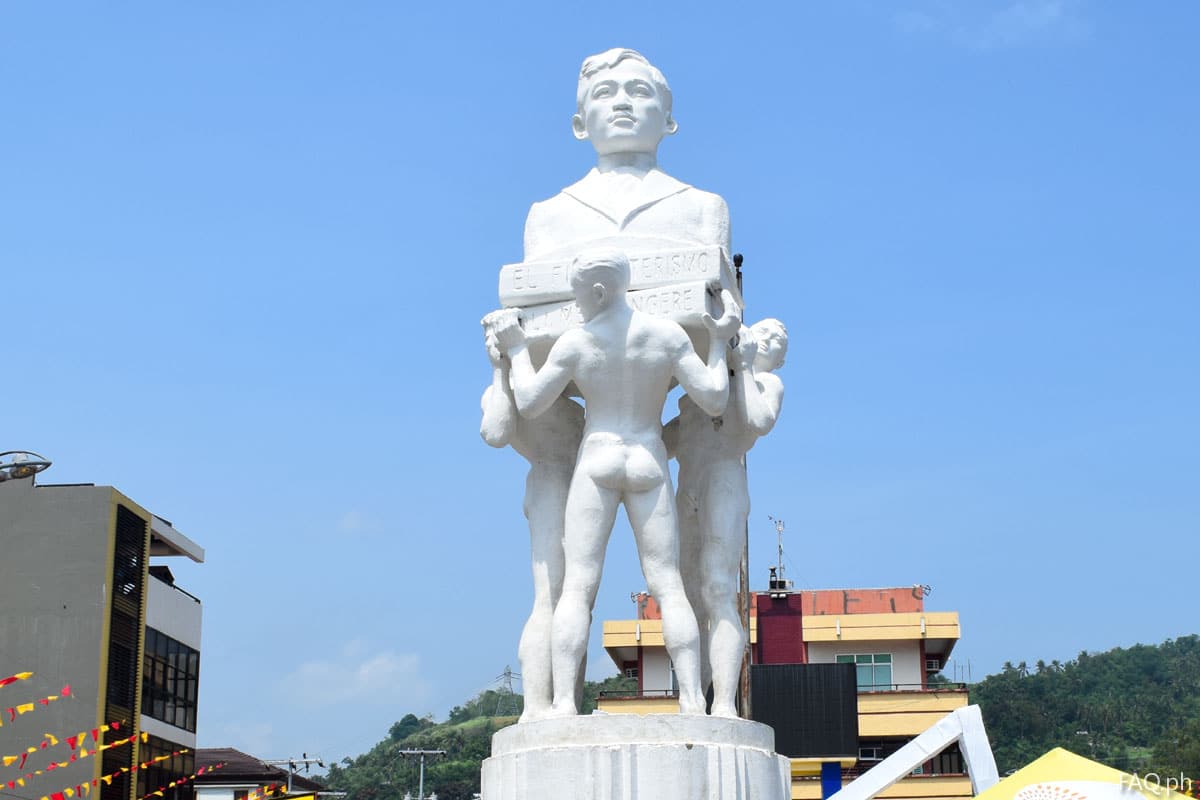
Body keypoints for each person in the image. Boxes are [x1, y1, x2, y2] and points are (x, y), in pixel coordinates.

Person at [489, 247, 739, 716]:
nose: (576, 303)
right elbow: (712, 398)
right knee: (668, 585)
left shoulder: (578, 342)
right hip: (647, 456)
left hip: (598, 457)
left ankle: (564, 702)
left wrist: (518, 350)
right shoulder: (664, 336)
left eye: (580, 294)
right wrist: (720, 342)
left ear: (600, 291)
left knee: (578, 586)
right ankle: (691, 700)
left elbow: (529, 402)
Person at [664, 318, 787, 718]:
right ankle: (690, 697)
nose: (759, 338)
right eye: (759, 332)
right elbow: (667, 439)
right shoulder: (706, 384)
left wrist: (746, 366)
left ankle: (724, 702)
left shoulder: (765, 383)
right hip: (689, 482)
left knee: (718, 589)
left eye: (772, 339)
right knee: (686, 594)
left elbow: (758, 421)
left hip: (724, 478)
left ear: (778, 356)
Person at [523, 48, 730, 263]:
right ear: (580, 125)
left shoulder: (704, 208)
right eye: (604, 92)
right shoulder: (547, 216)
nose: (622, 103)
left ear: (668, 122)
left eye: (640, 91)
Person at [479, 325, 585, 722]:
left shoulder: (565, 399)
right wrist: (499, 370)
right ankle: (538, 705)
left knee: (576, 603)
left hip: (582, 485)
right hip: (549, 485)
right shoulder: (507, 393)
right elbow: (495, 432)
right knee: (550, 600)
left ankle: (565, 701)